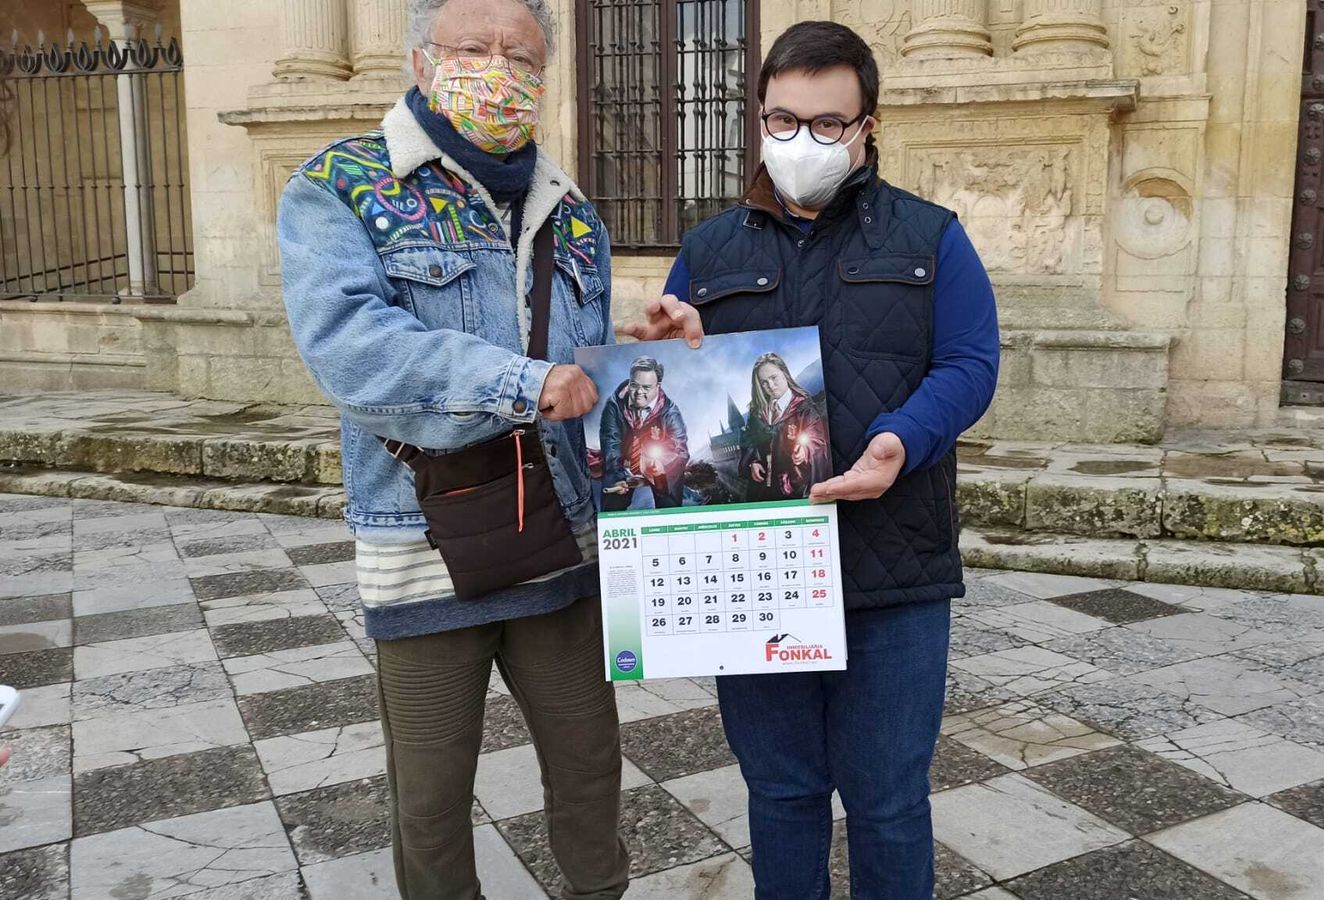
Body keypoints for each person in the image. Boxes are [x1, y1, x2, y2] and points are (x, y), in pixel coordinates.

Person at [624, 20, 1001, 900]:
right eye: (784, 120)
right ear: (759, 117)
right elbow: (675, 375)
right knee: (782, 792)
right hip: (759, 569)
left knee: (888, 799)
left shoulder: (931, 238)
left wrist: (900, 441)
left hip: (891, 566)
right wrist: (664, 346)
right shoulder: (709, 250)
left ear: (869, 125)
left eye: (828, 123)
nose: (803, 141)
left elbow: (970, 364)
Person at [276, 1, 628, 897]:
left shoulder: (572, 210)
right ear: (422, 61)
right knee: (431, 800)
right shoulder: (342, 185)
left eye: (521, 56)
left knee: (590, 771)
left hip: (561, 544)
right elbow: (351, 349)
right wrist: (523, 384)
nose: (498, 70)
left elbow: (576, 366)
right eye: (474, 48)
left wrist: (636, 349)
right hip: (425, 546)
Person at [598, 356, 689, 510]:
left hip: (658, 472)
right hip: (622, 467)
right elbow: (610, 444)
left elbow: (681, 451)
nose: (639, 392)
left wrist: (662, 466)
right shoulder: (614, 405)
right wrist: (620, 476)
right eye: (634, 385)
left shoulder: (670, 412)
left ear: (658, 386)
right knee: (612, 501)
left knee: (669, 505)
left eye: (646, 387)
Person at [740, 352, 828, 501]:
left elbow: (817, 438)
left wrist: (805, 451)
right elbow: (749, 442)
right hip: (762, 491)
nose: (770, 386)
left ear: (784, 373)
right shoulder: (757, 414)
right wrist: (753, 462)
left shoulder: (804, 409)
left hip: (793, 488)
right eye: (764, 382)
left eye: (773, 378)